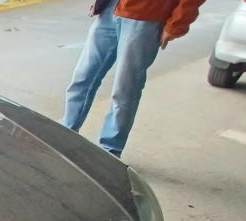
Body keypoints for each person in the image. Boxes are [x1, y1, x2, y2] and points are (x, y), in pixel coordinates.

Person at [61, 0, 206, 157]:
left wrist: (176, 24)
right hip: (110, 9)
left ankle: (110, 151)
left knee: (125, 89)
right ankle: (64, 133)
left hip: (146, 16)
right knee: (82, 77)